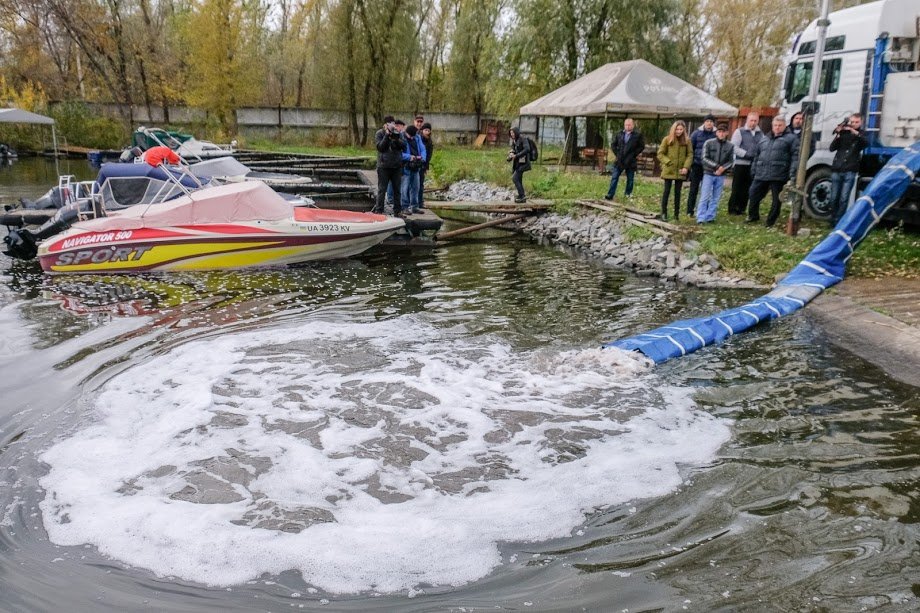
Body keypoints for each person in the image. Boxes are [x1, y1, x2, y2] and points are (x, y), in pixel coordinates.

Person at [746, 116, 799, 227]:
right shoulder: (765, 138)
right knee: (753, 194)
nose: (777, 127)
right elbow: (757, 155)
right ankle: (753, 216)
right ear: (772, 126)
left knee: (776, 200)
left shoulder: (792, 139)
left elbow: (795, 157)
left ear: (785, 126)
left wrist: (792, 174)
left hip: (779, 175)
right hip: (761, 173)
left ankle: (770, 221)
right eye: (775, 125)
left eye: (780, 125)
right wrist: (754, 170)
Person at [828, 113, 867, 223]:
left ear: (861, 123)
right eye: (852, 122)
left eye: (856, 122)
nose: (853, 124)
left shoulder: (862, 134)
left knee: (844, 198)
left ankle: (839, 220)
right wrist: (838, 134)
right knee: (833, 197)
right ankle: (832, 217)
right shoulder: (843, 133)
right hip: (837, 168)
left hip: (850, 169)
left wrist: (856, 133)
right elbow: (832, 148)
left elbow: (865, 143)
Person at [696, 122, 734, 223]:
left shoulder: (730, 146)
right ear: (716, 133)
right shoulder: (708, 143)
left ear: (727, 133)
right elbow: (704, 158)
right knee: (705, 196)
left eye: (723, 132)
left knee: (716, 197)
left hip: (721, 175)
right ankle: (700, 217)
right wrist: (717, 166)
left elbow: (731, 161)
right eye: (719, 132)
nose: (721, 134)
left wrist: (723, 168)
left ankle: (710, 217)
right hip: (708, 173)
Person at [727, 112, 763, 215]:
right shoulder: (739, 131)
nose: (753, 123)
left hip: (753, 164)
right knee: (737, 187)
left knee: (748, 187)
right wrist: (745, 154)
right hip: (740, 162)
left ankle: (742, 208)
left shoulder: (760, 134)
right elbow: (733, 147)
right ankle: (733, 208)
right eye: (751, 120)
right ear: (747, 120)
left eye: (755, 121)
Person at [656, 120, 691, 220]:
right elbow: (660, 153)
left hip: (681, 170)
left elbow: (690, 154)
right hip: (669, 169)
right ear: (673, 129)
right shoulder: (667, 139)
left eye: (681, 129)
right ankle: (664, 212)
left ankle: (676, 214)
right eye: (677, 129)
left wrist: (686, 167)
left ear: (684, 130)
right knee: (666, 191)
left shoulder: (687, 141)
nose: (679, 131)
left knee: (678, 193)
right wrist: (668, 162)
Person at [373, 115, 407, 217]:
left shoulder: (398, 133)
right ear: (385, 125)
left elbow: (404, 146)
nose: (392, 126)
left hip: (396, 166)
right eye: (390, 124)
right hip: (384, 166)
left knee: (397, 190)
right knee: (382, 189)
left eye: (393, 124)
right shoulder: (379, 133)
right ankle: (379, 210)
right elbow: (380, 147)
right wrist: (387, 136)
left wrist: (395, 138)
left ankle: (397, 211)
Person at [604, 118, 644, 200]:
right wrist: (617, 154)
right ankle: (610, 194)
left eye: (629, 125)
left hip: (630, 160)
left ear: (633, 125)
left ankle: (628, 194)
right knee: (614, 177)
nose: (628, 126)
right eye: (626, 125)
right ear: (624, 125)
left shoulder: (637, 135)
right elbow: (613, 145)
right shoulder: (619, 134)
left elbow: (641, 146)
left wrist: (634, 154)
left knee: (630, 179)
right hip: (620, 160)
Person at [687, 114, 717, 215]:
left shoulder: (716, 134)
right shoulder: (696, 134)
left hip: (710, 167)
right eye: (707, 121)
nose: (709, 123)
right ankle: (690, 210)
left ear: (713, 123)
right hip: (697, 165)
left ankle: (704, 210)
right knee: (694, 188)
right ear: (704, 122)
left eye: (711, 121)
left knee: (707, 190)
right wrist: (690, 164)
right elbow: (690, 149)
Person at [401, 124, 426, 214]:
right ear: (406, 133)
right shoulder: (401, 138)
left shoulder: (417, 137)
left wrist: (422, 158)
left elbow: (423, 149)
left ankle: (415, 206)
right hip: (406, 166)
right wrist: (409, 157)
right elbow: (399, 154)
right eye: (411, 136)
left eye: (413, 136)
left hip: (416, 167)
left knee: (416, 187)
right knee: (405, 188)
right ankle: (404, 207)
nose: (412, 137)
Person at [508, 127, 532, 203]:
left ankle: (522, 196)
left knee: (515, 178)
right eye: (511, 133)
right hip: (518, 163)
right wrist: (511, 153)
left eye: (513, 133)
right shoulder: (514, 141)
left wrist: (517, 155)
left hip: (524, 163)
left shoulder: (523, 139)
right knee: (519, 179)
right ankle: (521, 195)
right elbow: (514, 149)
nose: (512, 135)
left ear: (516, 132)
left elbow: (527, 149)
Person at [418, 122, 434, 209]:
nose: (427, 132)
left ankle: (420, 202)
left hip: (424, 165)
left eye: (428, 130)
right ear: (422, 130)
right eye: (425, 130)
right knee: (414, 185)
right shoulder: (418, 139)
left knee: (421, 184)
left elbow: (429, 154)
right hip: (417, 164)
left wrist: (426, 166)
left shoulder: (429, 141)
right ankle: (413, 202)